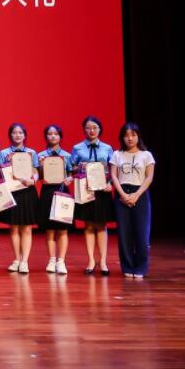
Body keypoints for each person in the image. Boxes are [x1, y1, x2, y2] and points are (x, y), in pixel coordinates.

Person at [110, 122, 156, 279]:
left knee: (142, 234)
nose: (130, 138)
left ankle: (141, 268)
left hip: (140, 194)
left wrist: (136, 195)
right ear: (122, 138)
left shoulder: (146, 155)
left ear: (138, 136)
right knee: (124, 234)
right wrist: (123, 194)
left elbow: (149, 177)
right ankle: (127, 267)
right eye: (126, 135)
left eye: (133, 135)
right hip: (122, 193)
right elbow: (114, 175)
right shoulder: (117, 154)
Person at [71, 116, 116, 276]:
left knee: (101, 225)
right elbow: (72, 168)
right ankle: (91, 260)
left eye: (95, 128)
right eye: (88, 128)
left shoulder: (107, 148)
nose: (92, 131)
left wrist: (111, 183)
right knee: (89, 225)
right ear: (84, 130)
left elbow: (113, 169)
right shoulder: (77, 148)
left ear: (99, 129)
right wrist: (79, 167)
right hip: (86, 190)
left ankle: (103, 261)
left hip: (102, 190)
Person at [0, 123, 40, 274]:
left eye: (20, 132)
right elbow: (0, 173)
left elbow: (36, 171)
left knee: (26, 227)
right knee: (13, 227)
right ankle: (17, 259)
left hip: (27, 191)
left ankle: (25, 261)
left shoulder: (31, 153)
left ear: (25, 135)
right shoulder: (4, 153)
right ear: (10, 135)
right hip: (11, 191)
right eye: (14, 132)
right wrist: (6, 164)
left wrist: (33, 180)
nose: (17, 135)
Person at [37, 124, 74, 275]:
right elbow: (38, 176)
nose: (53, 136)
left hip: (62, 191)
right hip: (47, 192)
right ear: (46, 137)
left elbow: (71, 174)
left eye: (56, 134)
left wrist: (70, 179)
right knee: (50, 229)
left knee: (62, 229)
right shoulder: (40, 156)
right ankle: (52, 260)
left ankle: (61, 261)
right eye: (50, 134)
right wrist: (40, 167)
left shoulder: (67, 156)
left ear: (60, 137)